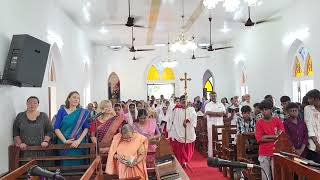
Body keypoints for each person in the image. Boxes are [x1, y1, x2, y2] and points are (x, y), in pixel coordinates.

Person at [13, 96, 53, 166]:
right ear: (26, 104)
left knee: (41, 172)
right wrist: (20, 143)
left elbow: (49, 130)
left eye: (35, 103)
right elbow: (15, 132)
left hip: (41, 149)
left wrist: (46, 141)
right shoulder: (20, 116)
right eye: (30, 102)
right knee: (28, 172)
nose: (32, 105)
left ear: (38, 105)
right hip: (25, 151)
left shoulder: (43, 116)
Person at [54, 91, 90, 166]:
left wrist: (78, 141)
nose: (76, 99)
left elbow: (86, 128)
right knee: (65, 165)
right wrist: (64, 140)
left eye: (78, 98)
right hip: (64, 143)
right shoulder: (61, 111)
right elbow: (56, 128)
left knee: (78, 165)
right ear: (68, 99)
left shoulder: (82, 112)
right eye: (74, 97)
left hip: (77, 143)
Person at [255, 100, 285, 180]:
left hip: (276, 152)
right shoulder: (259, 123)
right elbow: (259, 139)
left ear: (271, 110)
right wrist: (274, 137)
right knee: (265, 176)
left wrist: (266, 136)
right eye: (262, 110)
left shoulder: (277, 121)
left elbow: (281, 137)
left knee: (276, 176)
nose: (264, 112)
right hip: (264, 152)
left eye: (266, 109)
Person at [168, 95, 197, 167]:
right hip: (178, 131)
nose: (184, 101)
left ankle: (185, 160)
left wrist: (186, 120)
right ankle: (181, 161)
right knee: (179, 148)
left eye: (185, 99)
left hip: (188, 130)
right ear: (180, 101)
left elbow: (193, 116)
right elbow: (171, 117)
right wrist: (170, 129)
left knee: (188, 146)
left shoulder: (191, 109)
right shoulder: (176, 109)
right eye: (182, 100)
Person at [205, 92, 226, 157]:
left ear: (216, 96)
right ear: (210, 97)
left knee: (220, 139)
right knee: (211, 139)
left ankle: (220, 154)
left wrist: (213, 114)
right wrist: (218, 114)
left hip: (220, 124)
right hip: (211, 124)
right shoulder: (208, 105)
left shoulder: (221, 104)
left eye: (214, 96)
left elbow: (223, 113)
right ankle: (211, 155)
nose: (213, 97)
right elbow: (208, 112)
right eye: (212, 96)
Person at [304, 89, 320, 163]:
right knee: (315, 168)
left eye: (310, 98)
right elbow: (309, 127)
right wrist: (317, 144)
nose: (308, 100)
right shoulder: (308, 109)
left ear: (316, 98)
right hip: (314, 145)